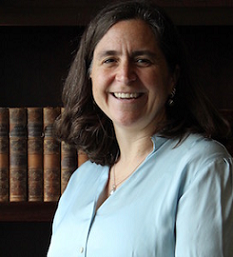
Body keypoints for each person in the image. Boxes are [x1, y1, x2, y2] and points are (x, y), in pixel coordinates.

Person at [47, 1, 233, 256]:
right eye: (110, 59)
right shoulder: (81, 179)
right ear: (90, 74)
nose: (124, 75)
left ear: (172, 78)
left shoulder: (203, 166)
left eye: (142, 60)